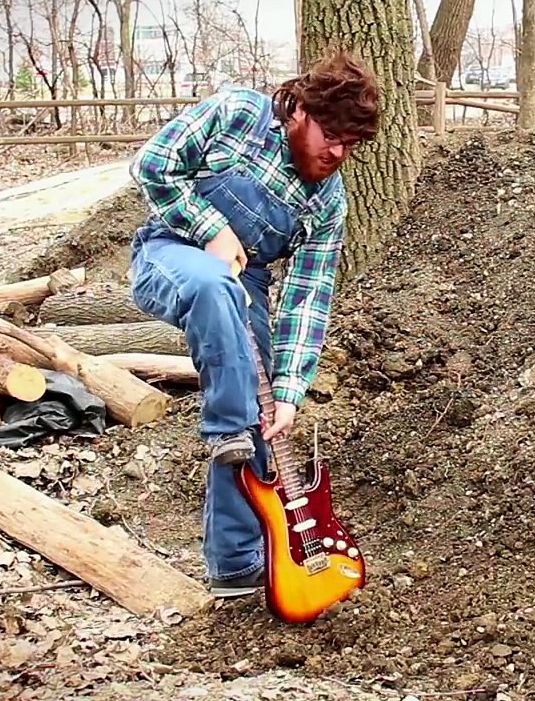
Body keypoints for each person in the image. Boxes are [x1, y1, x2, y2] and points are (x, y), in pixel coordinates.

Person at [125, 50, 380, 598]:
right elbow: (153, 163)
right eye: (329, 134)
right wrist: (211, 228)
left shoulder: (327, 203)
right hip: (170, 253)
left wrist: (288, 393)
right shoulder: (238, 114)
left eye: (350, 145)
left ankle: (236, 563)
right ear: (301, 112)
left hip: (249, 287)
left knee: (260, 416)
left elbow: (308, 297)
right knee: (224, 338)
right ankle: (226, 431)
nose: (336, 152)